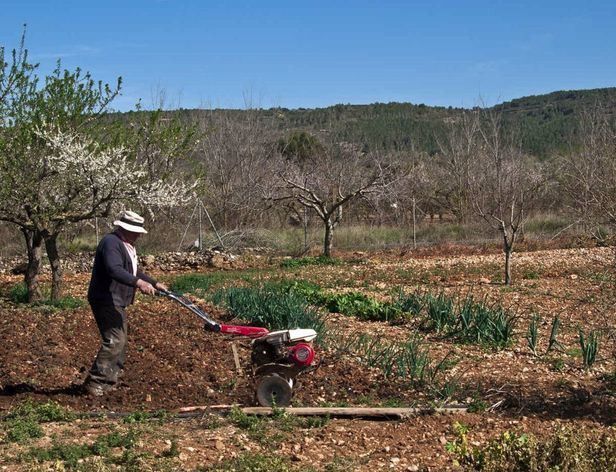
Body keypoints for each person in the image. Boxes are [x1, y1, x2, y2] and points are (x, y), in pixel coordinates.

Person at [83, 210, 167, 396]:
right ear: (124, 228)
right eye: (135, 231)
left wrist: (154, 283)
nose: (138, 234)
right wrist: (139, 284)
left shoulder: (126, 244)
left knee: (120, 340)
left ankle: (110, 380)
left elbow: (133, 270)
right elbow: (115, 269)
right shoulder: (111, 243)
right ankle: (96, 382)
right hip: (105, 298)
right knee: (115, 340)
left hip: (116, 299)